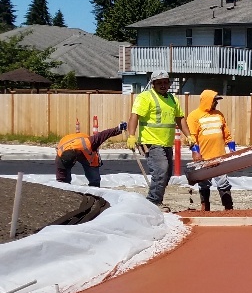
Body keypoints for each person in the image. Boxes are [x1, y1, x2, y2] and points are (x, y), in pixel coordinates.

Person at [126, 70, 192, 210]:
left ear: (169, 84)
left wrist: (189, 135)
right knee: (160, 171)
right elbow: (134, 116)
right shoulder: (145, 97)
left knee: (166, 174)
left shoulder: (172, 99)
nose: (163, 85)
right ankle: (153, 202)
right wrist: (131, 136)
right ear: (153, 84)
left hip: (167, 143)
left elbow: (180, 119)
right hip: (151, 142)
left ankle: (156, 201)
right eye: (159, 83)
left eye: (165, 82)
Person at [186, 90, 237, 211]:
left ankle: (228, 208)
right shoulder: (194, 116)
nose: (216, 103)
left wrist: (232, 149)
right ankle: (205, 207)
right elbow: (192, 137)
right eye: (214, 100)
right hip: (203, 157)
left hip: (220, 156)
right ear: (207, 101)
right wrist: (195, 152)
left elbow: (227, 134)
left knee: (223, 183)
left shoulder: (219, 114)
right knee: (204, 183)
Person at [55, 121, 128, 187]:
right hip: (67, 140)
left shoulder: (88, 143)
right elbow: (60, 179)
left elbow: (103, 135)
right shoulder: (60, 158)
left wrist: (118, 128)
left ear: (74, 160)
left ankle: (95, 190)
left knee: (94, 179)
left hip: (83, 144)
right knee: (63, 181)